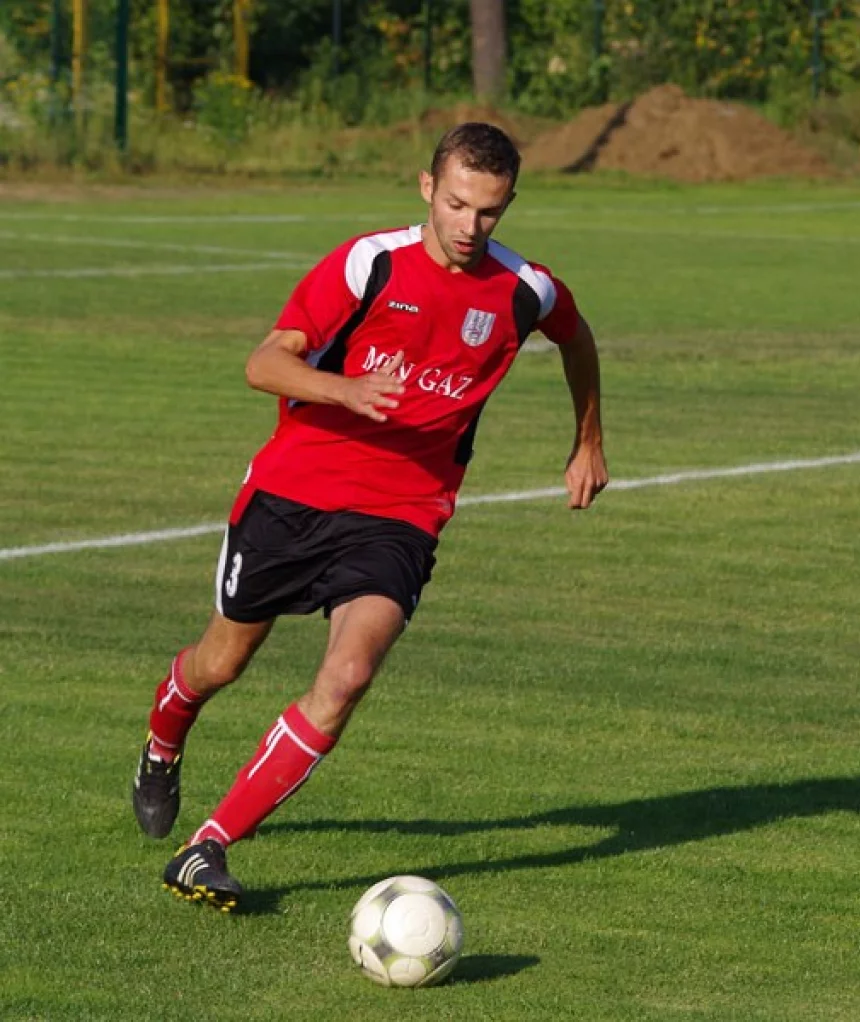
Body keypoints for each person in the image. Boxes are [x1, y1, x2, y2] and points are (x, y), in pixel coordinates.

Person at [132, 122, 608, 911]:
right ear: (428, 188)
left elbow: (577, 338)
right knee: (220, 665)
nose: (469, 226)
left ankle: (207, 845)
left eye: (488, 212)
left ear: (508, 205)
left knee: (348, 676)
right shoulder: (371, 263)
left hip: (405, 513)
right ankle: (164, 740)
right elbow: (266, 361)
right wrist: (345, 390)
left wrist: (587, 441)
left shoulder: (527, 290)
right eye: (456, 204)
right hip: (293, 496)